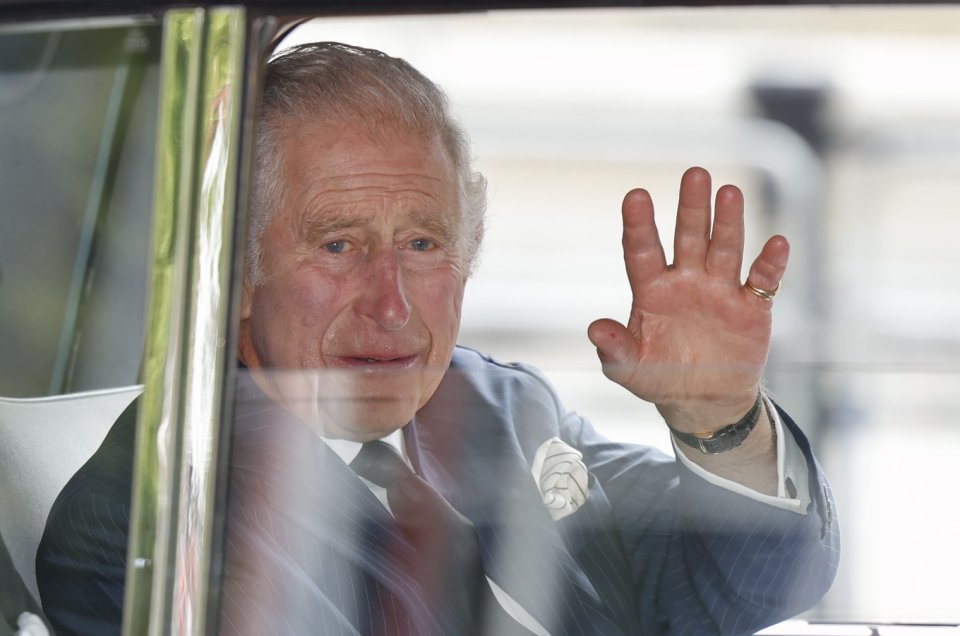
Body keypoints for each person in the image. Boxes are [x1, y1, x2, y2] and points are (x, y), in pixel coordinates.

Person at [37, 42, 839, 636]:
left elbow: (746, 586)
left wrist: (720, 421)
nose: (392, 307)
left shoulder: (497, 401)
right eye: (338, 245)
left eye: (423, 246)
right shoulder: (153, 512)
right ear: (237, 273)